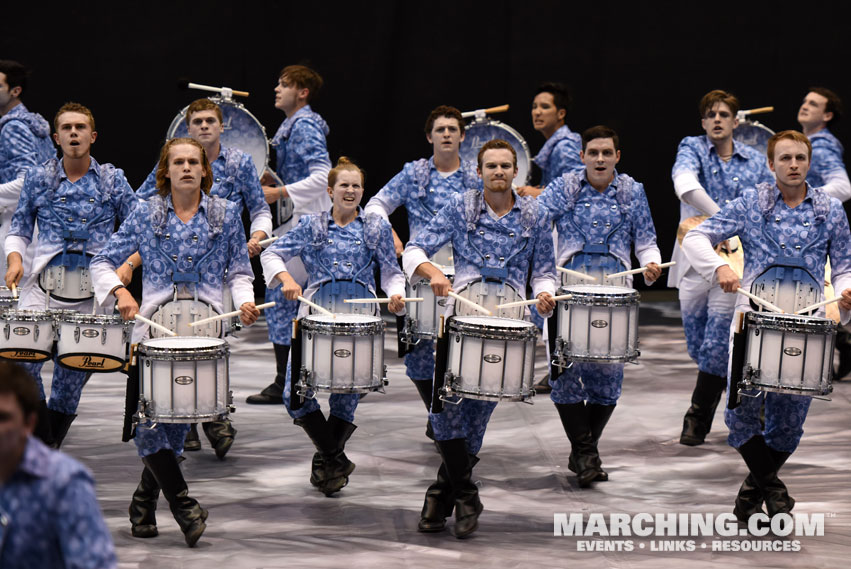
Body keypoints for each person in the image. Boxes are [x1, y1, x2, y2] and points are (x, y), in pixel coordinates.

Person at [90, 137, 259, 546]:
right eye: (178, 162)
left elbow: (239, 271)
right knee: (150, 424)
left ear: (205, 169)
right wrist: (120, 291)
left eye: (193, 162)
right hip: (154, 332)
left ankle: (143, 502)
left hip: (207, 331)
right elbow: (102, 261)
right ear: (166, 171)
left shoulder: (225, 213)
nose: (186, 168)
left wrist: (246, 302)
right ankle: (184, 506)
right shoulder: (145, 213)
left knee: (176, 423)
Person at [682, 130, 851, 522]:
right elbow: (696, 237)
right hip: (753, 321)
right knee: (740, 416)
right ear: (770, 163)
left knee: (789, 423)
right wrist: (720, 266)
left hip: (806, 324)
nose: (794, 165)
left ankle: (754, 492)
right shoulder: (750, 203)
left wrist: (845, 290)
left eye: (800, 158)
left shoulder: (831, 209)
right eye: (786, 158)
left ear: (809, 162)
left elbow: (843, 267)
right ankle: (773, 492)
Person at [402, 139, 556, 538]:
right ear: (479, 171)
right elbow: (415, 247)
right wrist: (431, 272)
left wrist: (544, 292)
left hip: (508, 323)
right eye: (491, 166)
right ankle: (465, 494)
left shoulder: (535, 215)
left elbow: (544, 271)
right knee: (444, 409)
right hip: (459, 319)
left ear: (515, 172)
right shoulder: (460, 207)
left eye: (505, 166)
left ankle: (440, 493)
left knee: (475, 416)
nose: (499, 172)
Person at [261, 157, 406, 496]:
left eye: (356, 186)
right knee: (294, 396)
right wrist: (285, 280)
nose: (351, 191)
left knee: (345, 397)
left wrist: (397, 294)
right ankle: (334, 456)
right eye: (344, 185)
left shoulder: (375, 227)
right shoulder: (312, 225)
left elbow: (391, 272)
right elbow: (271, 255)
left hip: (360, 323)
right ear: (330, 191)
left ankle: (328, 464)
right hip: (315, 319)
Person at [135, 98, 272, 456]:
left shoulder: (240, 162)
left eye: (210, 120)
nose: (204, 127)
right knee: (177, 337)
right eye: (197, 122)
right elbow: (141, 205)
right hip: (174, 265)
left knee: (213, 341)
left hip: (222, 263)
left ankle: (213, 415)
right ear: (188, 128)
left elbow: (259, 209)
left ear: (222, 125)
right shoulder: (172, 159)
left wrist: (256, 237)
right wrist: (136, 255)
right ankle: (189, 420)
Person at [4, 102, 136, 448]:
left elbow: (143, 231)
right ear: (56, 137)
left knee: (68, 385)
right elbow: (18, 228)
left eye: (80, 127)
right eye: (67, 128)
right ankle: (43, 453)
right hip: (42, 288)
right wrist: (15, 259)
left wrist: (129, 263)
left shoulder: (112, 179)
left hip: (92, 296)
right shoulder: (38, 177)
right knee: (22, 365)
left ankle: (44, 453)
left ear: (92, 136)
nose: (73, 133)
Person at [537, 125, 662, 488]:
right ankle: (588, 456)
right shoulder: (563, 188)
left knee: (608, 385)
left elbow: (647, 240)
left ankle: (583, 452)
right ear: (583, 157)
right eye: (593, 152)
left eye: (607, 152)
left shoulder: (632, 191)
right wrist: (541, 275)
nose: (600, 159)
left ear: (617, 157)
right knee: (563, 378)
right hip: (567, 294)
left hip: (615, 297)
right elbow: (535, 226)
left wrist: (651, 263)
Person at [363, 105, 480, 431]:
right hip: (421, 273)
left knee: (463, 349)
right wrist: (391, 235)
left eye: (452, 129)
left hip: (465, 276)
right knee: (416, 356)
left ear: (462, 136)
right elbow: (375, 204)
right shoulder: (414, 174)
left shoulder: (475, 176)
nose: (446, 134)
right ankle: (436, 408)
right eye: (440, 129)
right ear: (429, 136)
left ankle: (449, 413)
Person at [671, 90, 773, 446]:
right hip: (696, 256)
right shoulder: (692, 147)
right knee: (698, 345)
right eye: (710, 114)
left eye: (723, 114)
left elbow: (767, 202)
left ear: (735, 121)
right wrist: (722, 221)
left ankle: (700, 417)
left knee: (717, 340)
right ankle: (738, 400)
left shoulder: (756, 160)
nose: (717, 119)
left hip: (736, 263)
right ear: (703, 122)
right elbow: (685, 186)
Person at [247, 64, 332, 405]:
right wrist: (276, 180)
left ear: (303, 91)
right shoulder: (293, 126)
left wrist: (278, 193)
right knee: (289, 301)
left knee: (287, 300)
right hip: (298, 218)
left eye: (284, 85)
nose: (276, 90)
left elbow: (323, 175)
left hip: (306, 220)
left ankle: (289, 379)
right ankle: (292, 377)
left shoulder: (306, 125)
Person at [0, 361, 116, 569]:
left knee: (68, 389)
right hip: (30, 330)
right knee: (25, 364)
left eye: (3, 418)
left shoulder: (67, 482)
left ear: (28, 423)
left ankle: (47, 446)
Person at [797, 87, 851, 380]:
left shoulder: (822, 145)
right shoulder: (809, 142)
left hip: (812, 236)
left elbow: (843, 187)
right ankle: (844, 342)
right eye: (805, 101)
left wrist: (802, 203)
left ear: (827, 115)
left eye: (814, 104)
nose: (805, 106)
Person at [0, 60, 54, 277]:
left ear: (16, 91)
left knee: (10, 298)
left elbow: (27, 182)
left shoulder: (13, 126)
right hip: (40, 223)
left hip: (19, 223)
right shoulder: (31, 124)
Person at [517, 82, 582, 198]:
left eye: (545, 107)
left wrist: (540, 193)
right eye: (534, 107)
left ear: (561, 114)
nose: (537, 112)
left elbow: (580, 189)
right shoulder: (558, 144)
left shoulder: (565, 146)